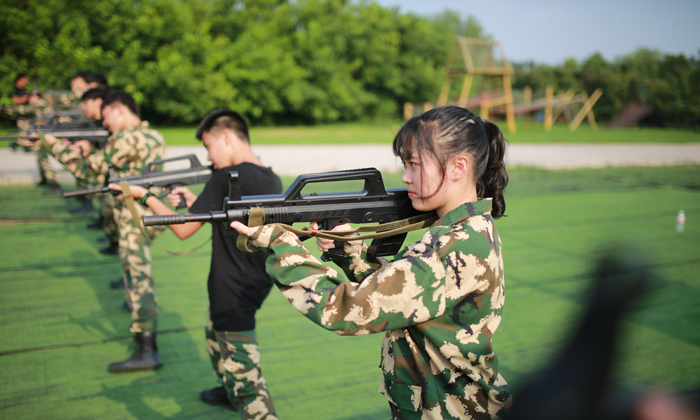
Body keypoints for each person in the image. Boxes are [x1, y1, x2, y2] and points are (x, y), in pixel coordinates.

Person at [230, 105, 512, 419]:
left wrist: (283, 245)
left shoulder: (451, 246)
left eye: (414, 164)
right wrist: (350, 252)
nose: (405, 177)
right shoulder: (470, 228)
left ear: (459, 166)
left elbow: (346, 311)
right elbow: (408, 295)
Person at [109, 109, 281, 418]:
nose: (209, 157)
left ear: (226, 137)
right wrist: (196, 201)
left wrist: (145, 195)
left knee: (248, 383)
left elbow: (183, 229)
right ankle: (227, 388)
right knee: (212, 330)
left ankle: (238, 391)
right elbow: (230, 218)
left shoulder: (224, 177)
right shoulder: (270, 176)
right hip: (256, 281)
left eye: (208, 146)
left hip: (231, 290)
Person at [40, 90, 167, 373]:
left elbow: (89, 171)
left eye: (106, 115)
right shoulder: (153, 135)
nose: (104, 122)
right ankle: (145, 339)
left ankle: (147, 348)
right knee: (137, 279)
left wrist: (51, 144)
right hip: (145, 216)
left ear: (120, 110)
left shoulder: (124, 138)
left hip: (133, 219)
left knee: (138, 282)